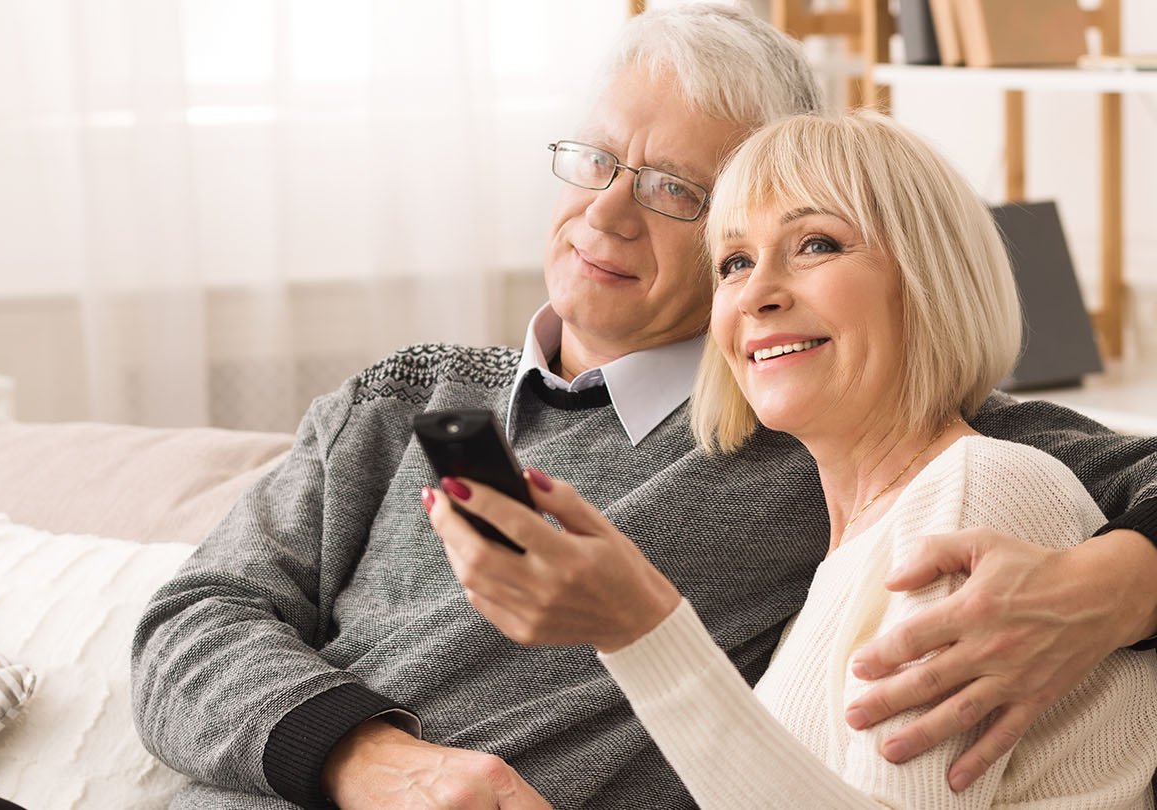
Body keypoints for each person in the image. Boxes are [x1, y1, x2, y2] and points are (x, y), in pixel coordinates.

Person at [0, 4, 1157, 810]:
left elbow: (1053, 475)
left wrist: (1119, 581)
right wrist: (373, 761)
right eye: (592, 159)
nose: (601, 209)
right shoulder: (406, 396)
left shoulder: (818, 426)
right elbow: (196, 618)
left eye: (675, 190)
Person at [426, 111, 1157, 808]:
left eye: (816, 244)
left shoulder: (976, 490)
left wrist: (639, 626)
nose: (757, 295)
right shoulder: (841, 555)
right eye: (735, 262)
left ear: (931, 279)